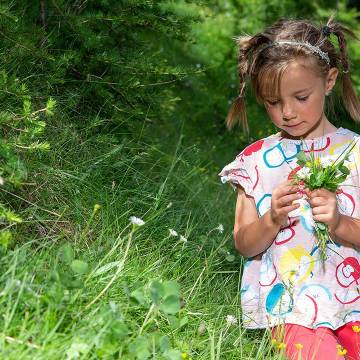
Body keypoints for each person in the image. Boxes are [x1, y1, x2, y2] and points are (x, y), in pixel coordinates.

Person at [218, 16, 360, 360]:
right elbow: (244, 243)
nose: (288, 112)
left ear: (328, 80)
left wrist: (340, 223)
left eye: (300, 97)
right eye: (273, 102)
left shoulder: (354, 153)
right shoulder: (254, 162)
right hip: (292, 309)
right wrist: (272, 219)